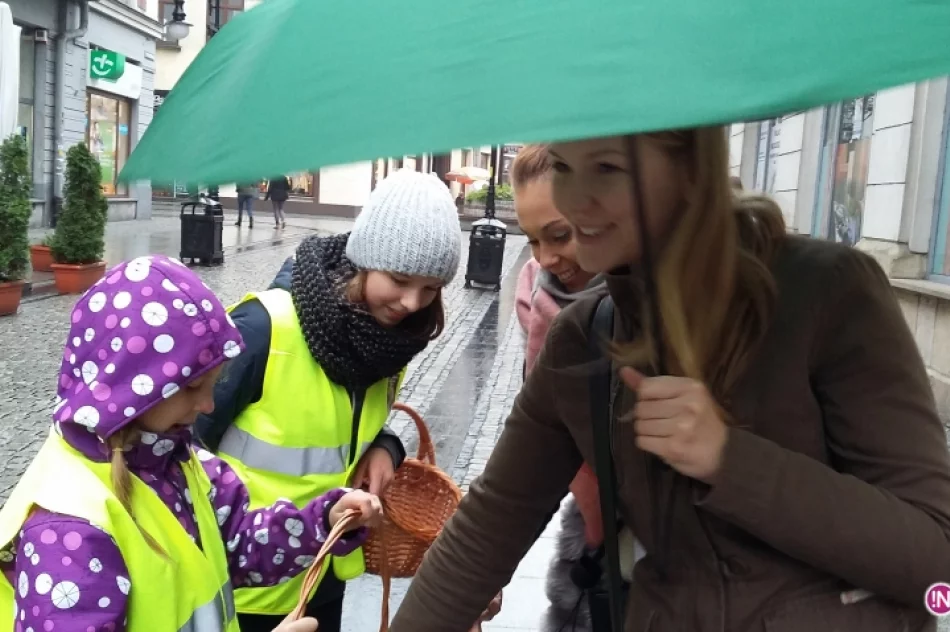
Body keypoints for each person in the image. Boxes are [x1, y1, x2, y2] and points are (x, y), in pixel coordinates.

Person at [388, 128, 950, 631]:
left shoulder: (824, 292)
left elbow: (934, 557)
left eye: (606, 167)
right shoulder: (584, 337)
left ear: (689, 171)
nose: (575, 198)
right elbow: (487, 528)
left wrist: (730, 460)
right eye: (563, 165)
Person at [0, 255, 383, 632]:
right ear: (131, 387)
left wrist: (320, 522)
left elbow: (238, 546)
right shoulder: (69, 534)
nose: (208, 405)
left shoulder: (177, 460)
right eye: (192, 388)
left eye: (213, 384)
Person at [194, 169, 465, 632]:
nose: (412, 303)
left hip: (324, 575)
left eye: (431, 288)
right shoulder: (264, 328)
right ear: (363, 261)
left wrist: (387, 447)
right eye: (399, 279)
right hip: (241, 588)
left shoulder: (385, 341)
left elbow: (347, 425)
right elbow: (175, 444)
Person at [511, 144, 644, 631]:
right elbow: (543, 427)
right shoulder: (537, 292)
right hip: (593, 515)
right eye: (530, 240)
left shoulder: (662, 298)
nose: (546, 259)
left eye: (559, 235)